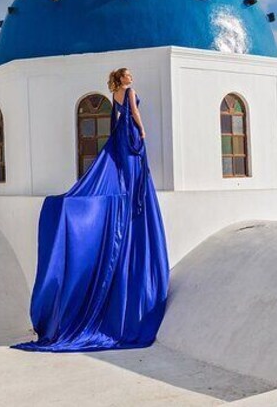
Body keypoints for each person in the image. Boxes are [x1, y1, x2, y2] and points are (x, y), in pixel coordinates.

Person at [11, 68, 170, 352]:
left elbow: (115, 118)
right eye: (129, 74)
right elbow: (133, 113)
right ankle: (134, 197)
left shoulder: (113, 94)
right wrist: (142, 131)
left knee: (124, 176)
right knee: (135, 178)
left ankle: (128, 193)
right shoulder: (130, 93)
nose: (132, 77)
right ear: (124, 79)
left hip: (119, 139)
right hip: (131, 137)